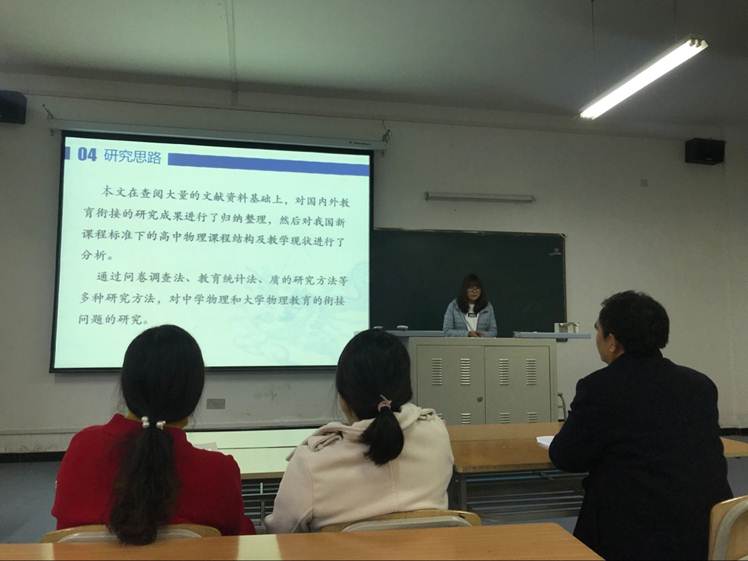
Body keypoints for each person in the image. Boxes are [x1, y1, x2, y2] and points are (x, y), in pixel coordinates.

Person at [549, 291, 732, 560]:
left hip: (632, 537)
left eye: (598, 330)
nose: (597, 338)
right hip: (704, 533)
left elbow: (565, 457)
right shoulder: (700, 385)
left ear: (612, 341)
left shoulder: (599, 387)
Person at [52, 325, 255, 544]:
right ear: (194, 393)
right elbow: (239, 544)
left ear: (126, 384)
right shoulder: (219, 472)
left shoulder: (83, 448)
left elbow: (63, 533)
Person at [264, 329, 453, 533]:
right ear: (405, 387)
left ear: (343, 398)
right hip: (428, 549)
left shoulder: (310, 462)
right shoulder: (437, 435)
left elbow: (281, 534)